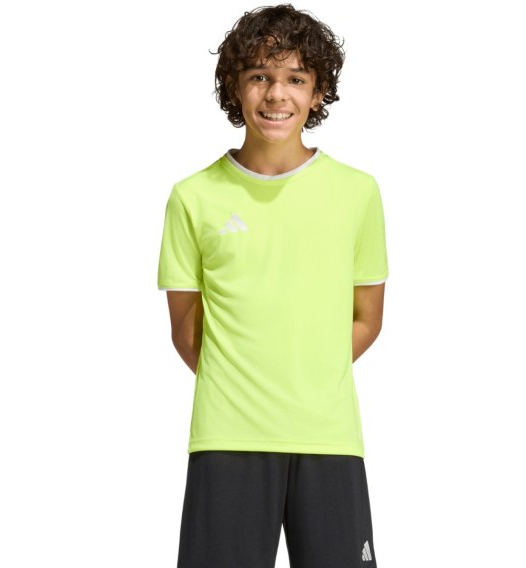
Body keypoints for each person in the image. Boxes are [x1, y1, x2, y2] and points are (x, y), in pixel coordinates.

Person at [157, 4, 389, 567]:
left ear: (318, 91)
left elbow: (367, 317)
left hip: (328, 436)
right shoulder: (193, 197)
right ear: (234, 86)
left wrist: (306, 373)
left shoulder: (357, 192)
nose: (276, 94)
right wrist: (247, 383)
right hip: (226, 438)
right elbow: (187, 331)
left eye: (295, 79)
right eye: (259, 75)